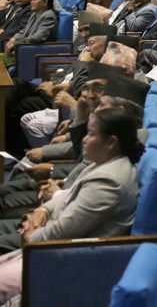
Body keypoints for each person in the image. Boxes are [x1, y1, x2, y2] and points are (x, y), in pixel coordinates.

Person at [0, 107, 143, 303]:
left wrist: (29, 235)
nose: (83, 139)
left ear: (111, 142)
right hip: (52, 250)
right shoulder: (103, 164)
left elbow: (61, 231)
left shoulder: (109, 181)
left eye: (91, 134)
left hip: (68, 263)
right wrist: (42, 210)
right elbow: (66, 196)